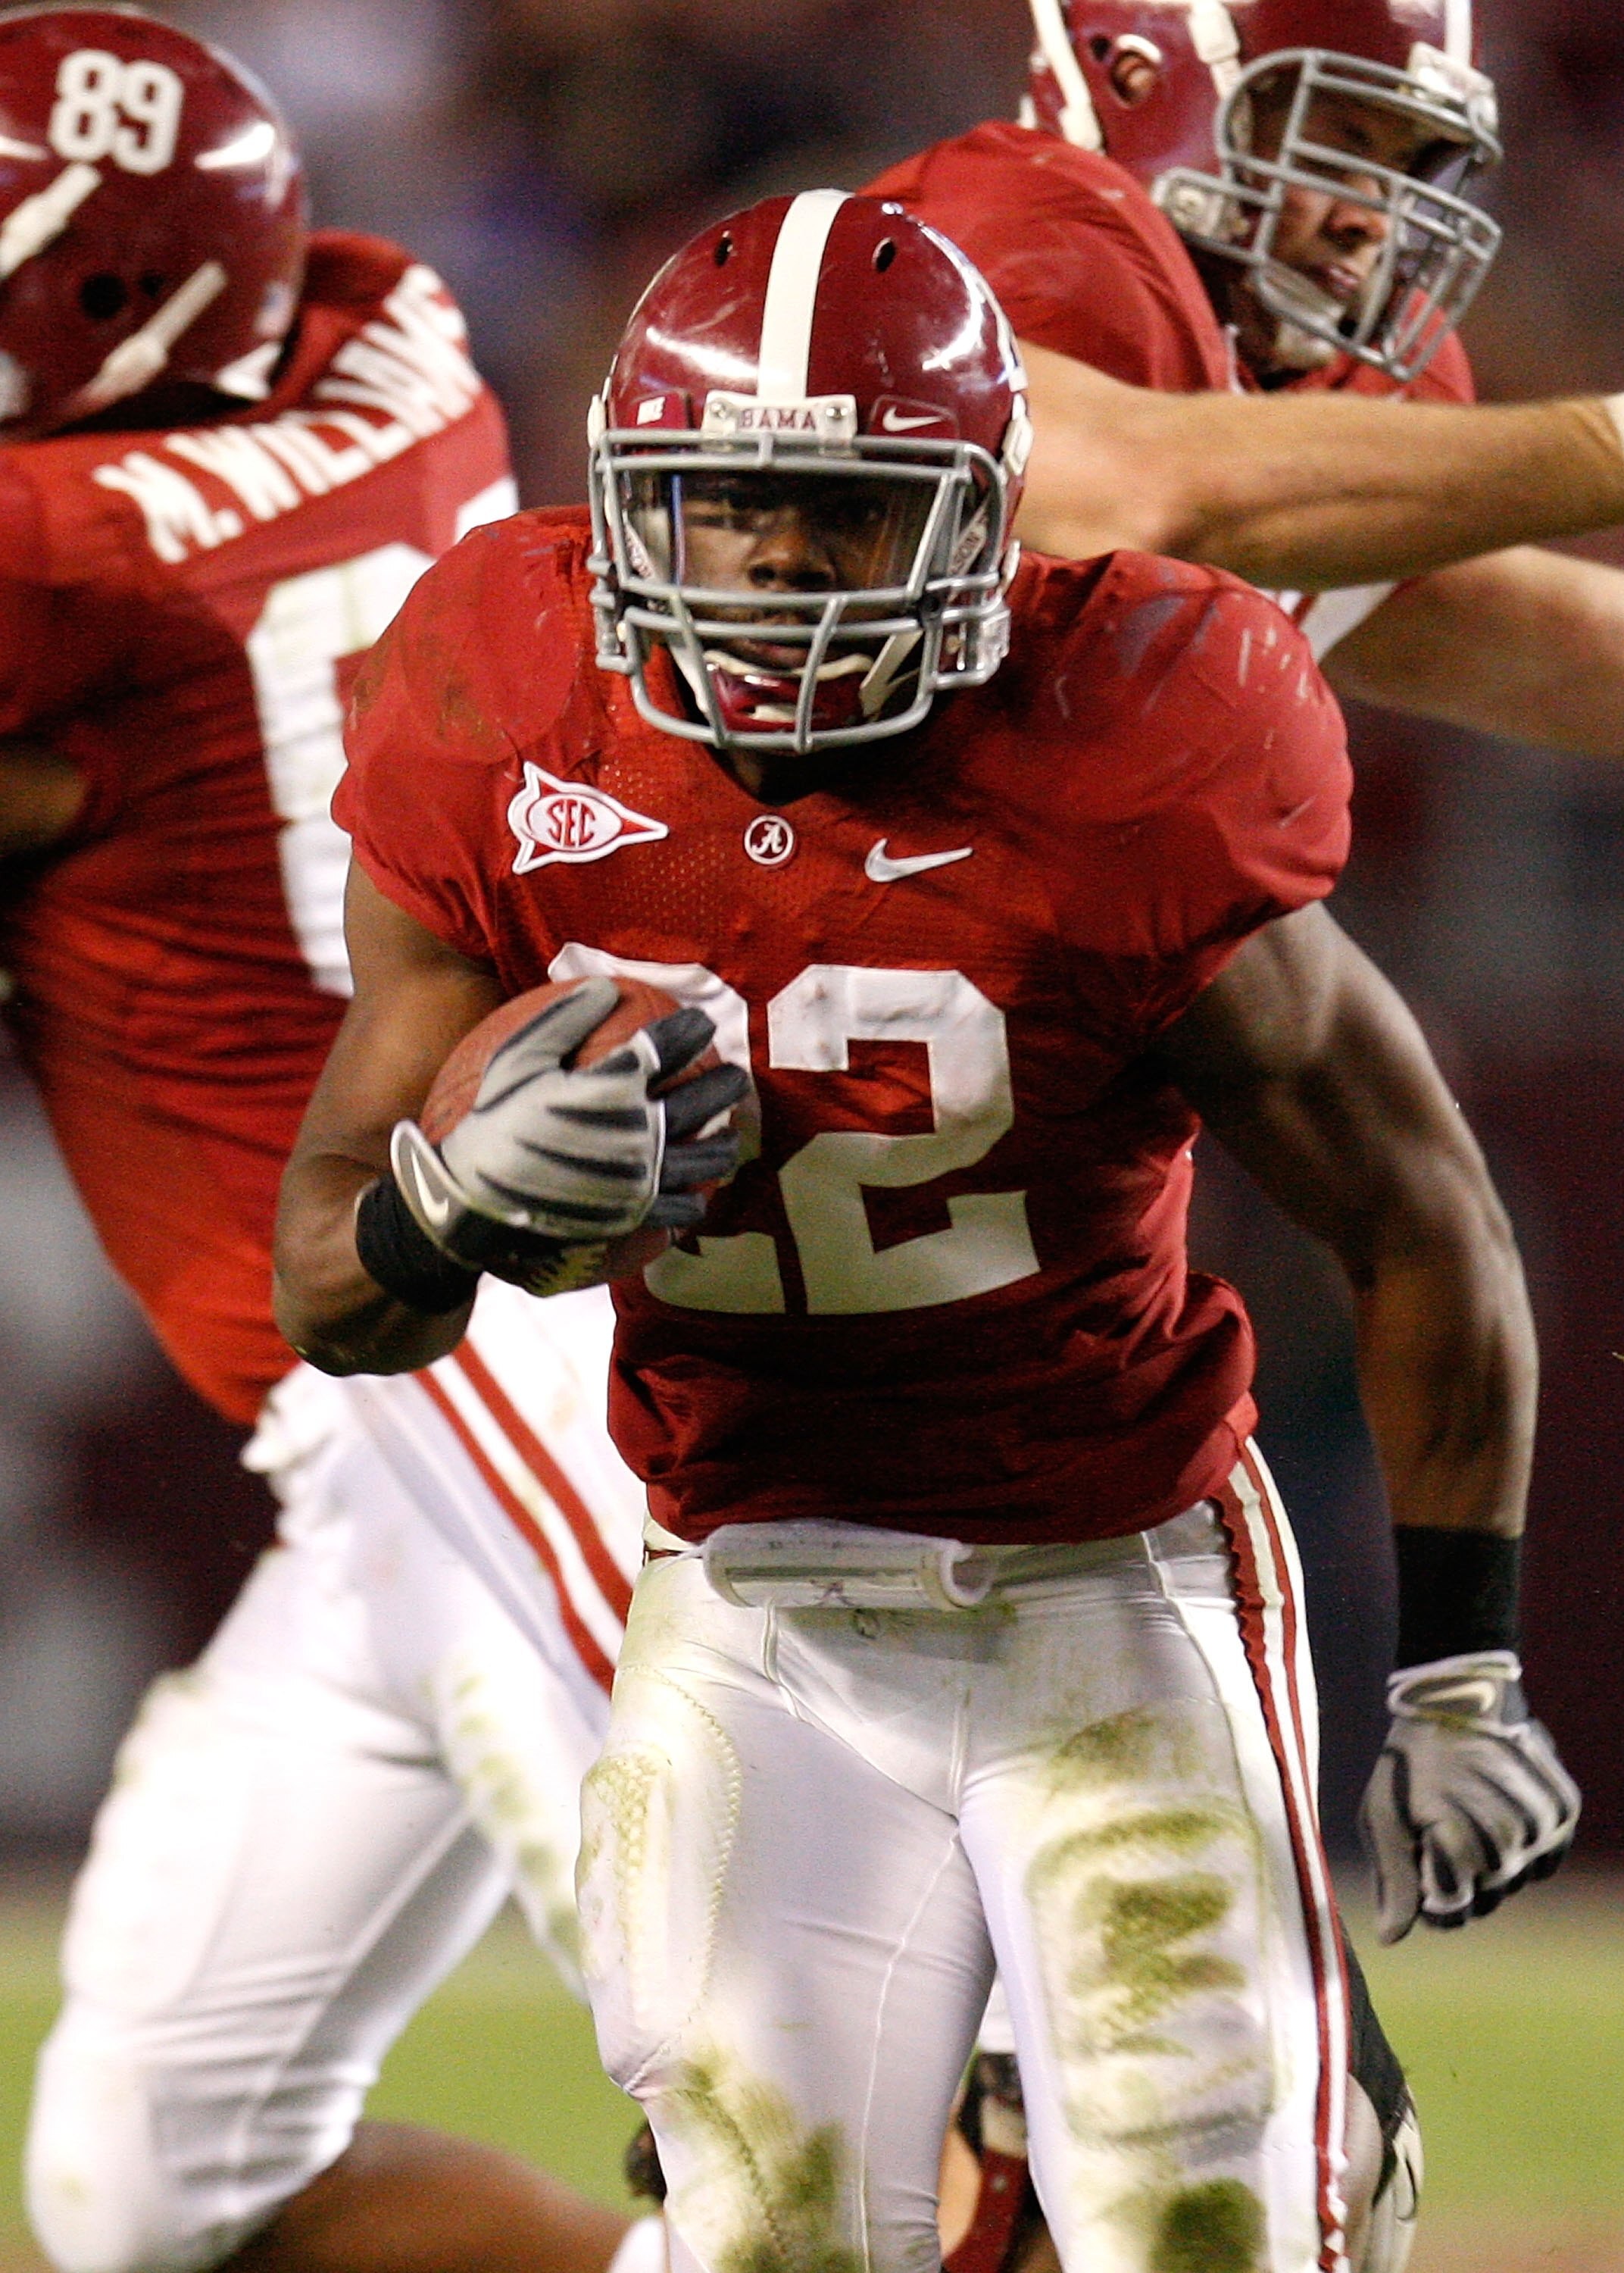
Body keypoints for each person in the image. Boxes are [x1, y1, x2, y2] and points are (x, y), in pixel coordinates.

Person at [276, 190, 1578, 2273]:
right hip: (751, 1591)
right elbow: (326, 1270)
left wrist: (1458, 1669)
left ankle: (1293, 2072)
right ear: (624, 506)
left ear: (979, 526)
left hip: (1112, 1569)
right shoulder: (502, 712)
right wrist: (441, 1210)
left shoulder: (1129, 741)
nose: (775, 567)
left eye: (844, 516)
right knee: (765, 2234)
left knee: (1212, 2229)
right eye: (717, 510)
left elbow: (1416, 1212)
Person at [0, 14, 654, 2270]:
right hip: (385, 1423)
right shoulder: (395, 342)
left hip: (480, 1339)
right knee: (161, 2183)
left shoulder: (68, 565)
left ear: (91, 309)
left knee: (806, 2089)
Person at [867, 0, 1624, 779]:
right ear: (1142, 80)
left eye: (1409, 167)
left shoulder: (1273, 384)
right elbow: (1144, 495)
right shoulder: (1008, 231)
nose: (1370, 221)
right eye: (1338, 146)